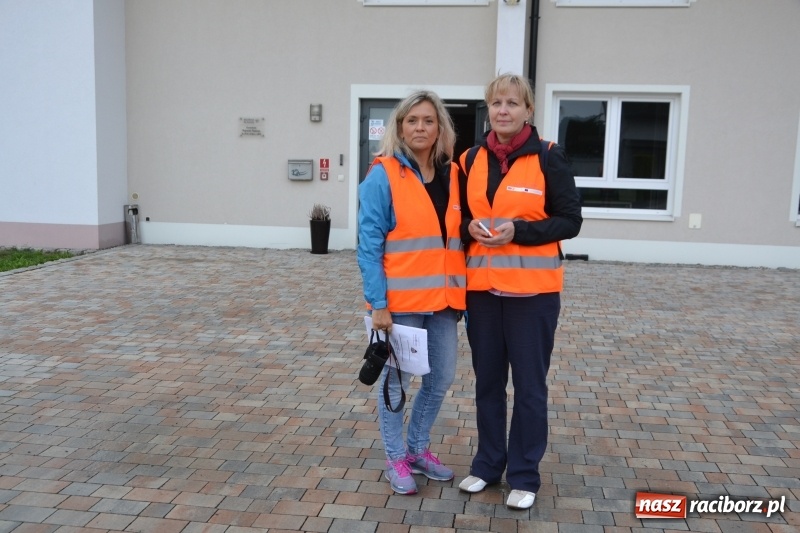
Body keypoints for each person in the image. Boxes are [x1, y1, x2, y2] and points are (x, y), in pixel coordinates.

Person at [456, 74, 582, 509]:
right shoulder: (470, 158)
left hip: (533, 296)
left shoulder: (549, 157)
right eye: (495, 103)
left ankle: (524, 474)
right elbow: (457, 219)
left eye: (512, 103)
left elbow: (570, 221)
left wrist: (519, 230)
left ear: (528, 110)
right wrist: (466, 227)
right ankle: (488, 465)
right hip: (483, 294)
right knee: (488, 384)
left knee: (530, 387)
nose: (503, 110)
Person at [357, 90, 466, 495]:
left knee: (440, 379)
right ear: (400, 127)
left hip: (444, 304)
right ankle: (395, 457)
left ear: (440, 129)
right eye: (412, 121)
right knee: (396, 384)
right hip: (400, 305)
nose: (420, 127)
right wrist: (378, 304)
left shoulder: (455, 176)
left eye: (428, 120)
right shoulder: (382, 175)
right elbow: (368, 246)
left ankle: (418, 449)